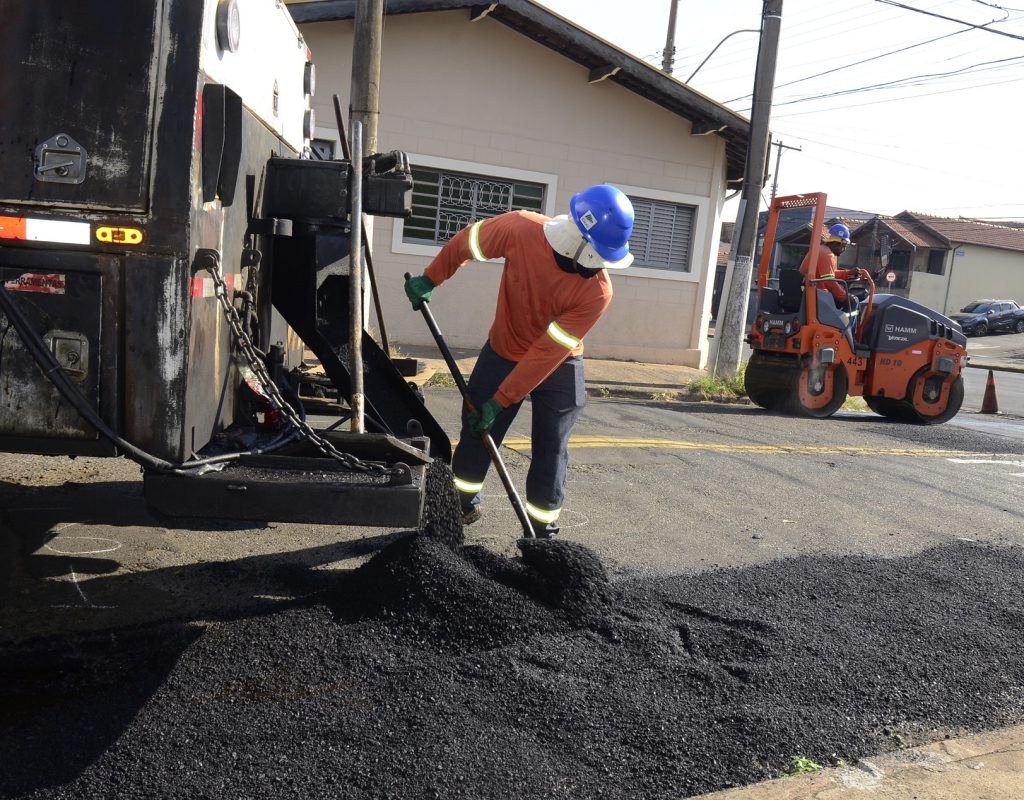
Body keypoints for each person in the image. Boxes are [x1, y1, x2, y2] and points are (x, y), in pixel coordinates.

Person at [404, 185, 634, 539]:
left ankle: (542, 532)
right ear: (578, 242)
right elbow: (469, 241)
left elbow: (546, 352)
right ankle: (458, 506)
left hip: (560, 364)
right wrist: (431, 276)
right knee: (478, 430)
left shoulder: (597, 291)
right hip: (503, 350)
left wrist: (502, 399)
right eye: (601, 254)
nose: (603, 266)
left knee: (552, 445)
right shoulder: (519, 228)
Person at [799, 223, 861, 313]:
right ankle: (847, 327)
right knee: (854, 301)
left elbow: (827, 274)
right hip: (817, 295)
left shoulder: (821, 250)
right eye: (844, 246)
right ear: (837, 243)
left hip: (809, 292)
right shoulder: (827, 255)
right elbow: (829, 282)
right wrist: (845, 297)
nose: (844, 249)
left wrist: (848, 273)